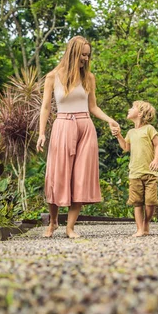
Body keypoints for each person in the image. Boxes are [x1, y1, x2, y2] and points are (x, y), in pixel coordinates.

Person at [36, 36, 119, 238]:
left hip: (85, 127)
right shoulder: (52, 77)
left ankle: (70, 228)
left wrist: (109, 120)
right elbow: (46, 107)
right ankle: (53, 222)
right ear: (73, 52)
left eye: (87, 55)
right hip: (63, 126)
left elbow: (93, 107)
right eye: (82, 54)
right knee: (56, 176)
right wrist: (41, 133)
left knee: (80, 178)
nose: (85, 58)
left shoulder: (89, 77)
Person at [112, 101, 158, 237]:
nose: (129, 109)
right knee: (137, 203)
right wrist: (118, 136)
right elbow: (126, 147)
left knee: (151, 202)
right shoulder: (131, 132)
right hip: (135, 173)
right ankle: (140, 229)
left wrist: (156, 160)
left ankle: (146, 223)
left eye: (132, 108)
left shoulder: (149, 129)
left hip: (150, 172)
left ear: (140, 114)